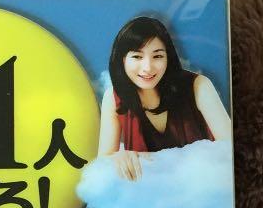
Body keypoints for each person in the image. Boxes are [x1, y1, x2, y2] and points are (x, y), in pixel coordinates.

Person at [98, 15, 232, 182]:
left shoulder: (199, 86)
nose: (147, 68)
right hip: (147, 193)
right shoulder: (113, 98)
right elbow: (102, 165)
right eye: (137, 57)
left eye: (157, 56)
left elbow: (230, 150)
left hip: (203, 186)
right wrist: (118, 158)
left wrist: (144, 159)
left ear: (168, 58)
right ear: (122, 59)